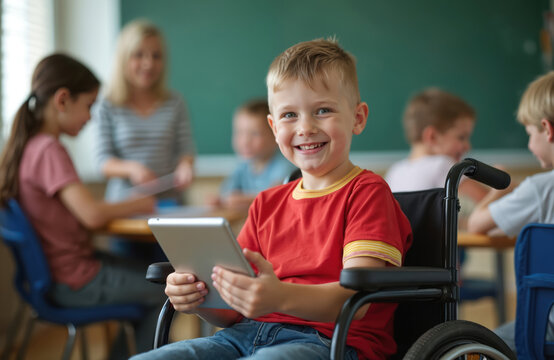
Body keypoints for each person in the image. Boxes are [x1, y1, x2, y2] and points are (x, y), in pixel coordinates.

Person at [131, 38, 412, 360]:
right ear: (273, 127)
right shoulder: (266, 203)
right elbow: (234, 311)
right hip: (244, 335)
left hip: (332, 342)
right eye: (290, 115)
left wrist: (278, 297)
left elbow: (358, 298)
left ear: (358, 118)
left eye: (323, 110)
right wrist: (199, 300)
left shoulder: (366, 192)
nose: (305, 127)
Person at [0, 53, 165, 358]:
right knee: (166, 291)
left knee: (154, 275)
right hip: (74, 280)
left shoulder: (29, 147)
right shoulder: (49, 149)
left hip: (58, 275)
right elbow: (90, 215)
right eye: (88, 106)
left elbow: (80, 210)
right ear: (62, 100)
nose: (90, 117)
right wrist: (135, 203)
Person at [94, 19, 195, 260]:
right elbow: (102, 162)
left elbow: (186, 150)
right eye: (139, 55)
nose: (149, 63)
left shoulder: (175, 102)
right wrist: (131, 169)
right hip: (125, 213)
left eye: (156, 55)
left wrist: (185, 167)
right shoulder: (108, 105)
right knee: (134, 280)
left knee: (173, 281)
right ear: (124, 58)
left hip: (169, 211)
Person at [467, 71, 554, 352]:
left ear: (547, 129)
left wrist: (498, 190)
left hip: (548, 327)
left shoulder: (540, 188)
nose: (530, 145)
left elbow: (476, 225)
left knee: (475, 345)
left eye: (530, 134)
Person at [385, 88, 488, 202]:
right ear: (432, 137)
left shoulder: (395, 171)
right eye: (461, 137)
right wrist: (501, 187)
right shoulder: (442, 165)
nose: (468, 146)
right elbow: (490, 203)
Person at [210, 98, 295, 210]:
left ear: (276, 135)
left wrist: (241, 200)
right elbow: (226, 193)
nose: (245, 142)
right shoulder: (243, 165)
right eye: (239, 133)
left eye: (255, 134)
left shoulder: (284, 163)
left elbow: (275, 196)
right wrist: (219, 200)